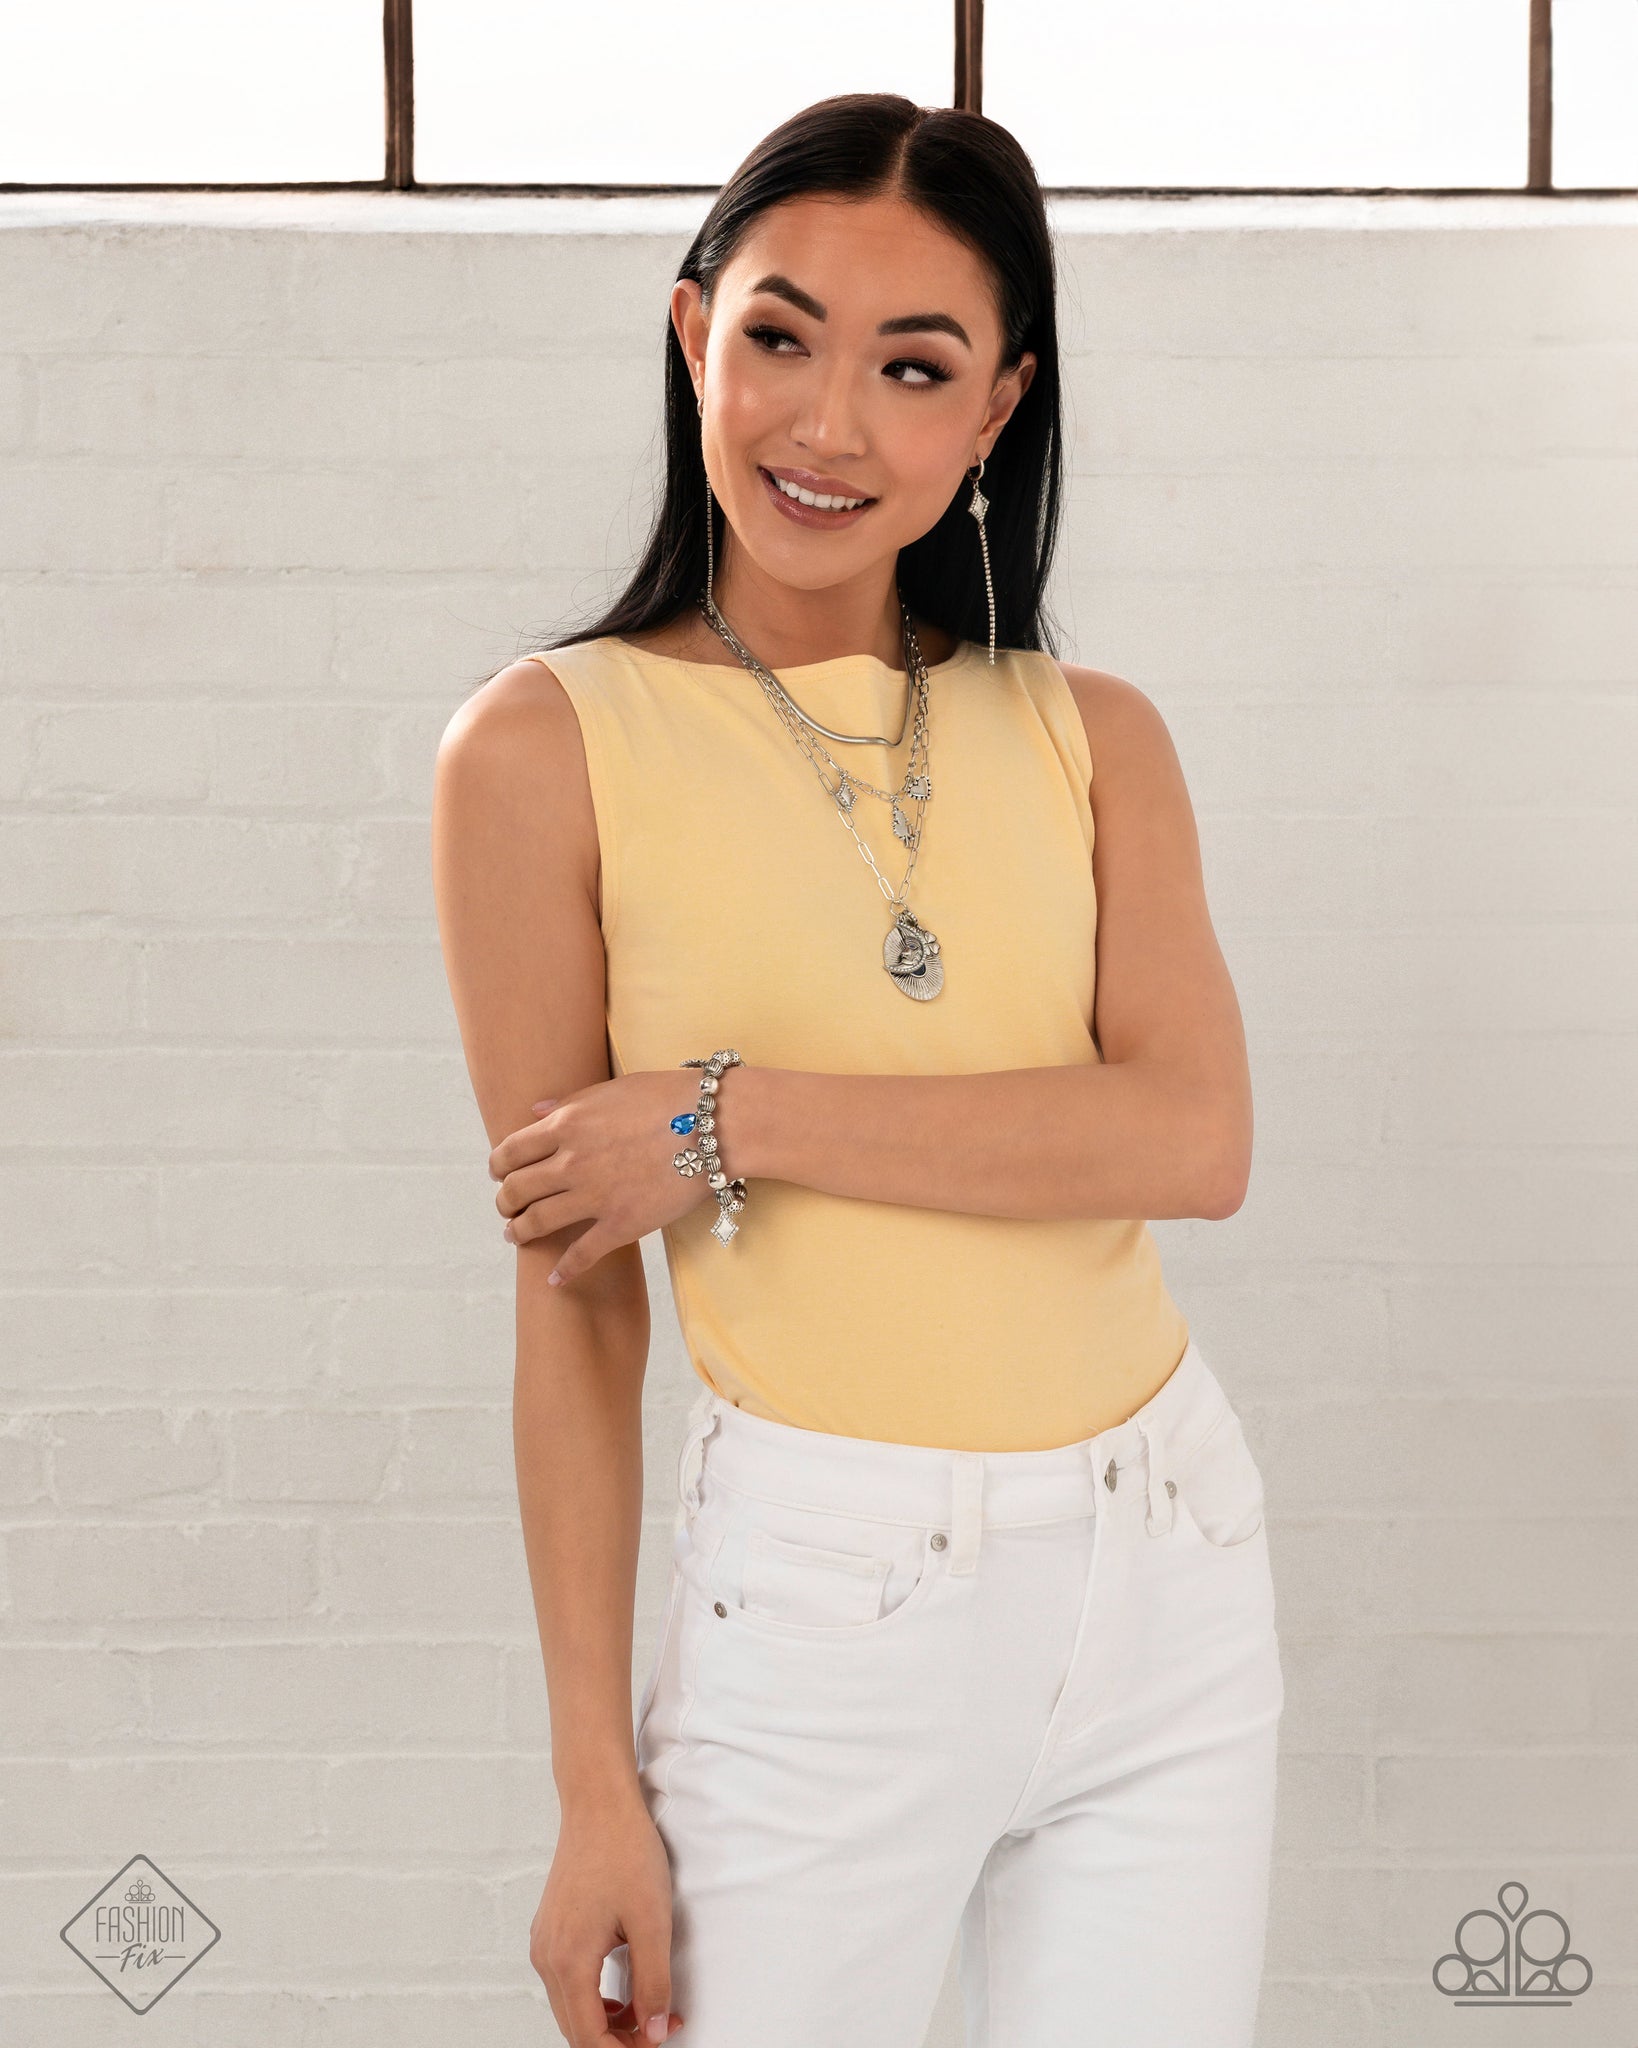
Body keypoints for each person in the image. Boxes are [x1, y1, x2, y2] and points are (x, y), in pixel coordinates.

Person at [431, 91, 1281, 2048]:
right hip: (824, 1608)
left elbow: (1193, 1136)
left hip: (1171, 1562)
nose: (827, 425)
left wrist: (725, 1117)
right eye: (780, 338)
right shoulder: (546, 748)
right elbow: (574, 1294)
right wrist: (591, 1788)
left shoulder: (1093, 735)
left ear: (995, 411)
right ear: (692, 336)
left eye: (912, 368)